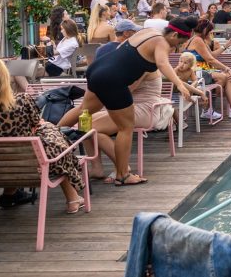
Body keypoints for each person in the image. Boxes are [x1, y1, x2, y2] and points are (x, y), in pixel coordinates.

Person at [57, 16, 200, 186]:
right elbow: (163, 64)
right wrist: (180, 85)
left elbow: (122, 50)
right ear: (174, 35)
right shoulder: (162, 42)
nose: (176, 48)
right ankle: (123, 175)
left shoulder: (148, 32)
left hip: (98, 69)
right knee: (126, 127)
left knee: (84, 110)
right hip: (113, 80)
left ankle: (51, 137)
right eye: (179, 44)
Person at [0, 60, 86, 213]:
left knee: (17, 149)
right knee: (54, 141)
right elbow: (35, 122)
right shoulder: (23, 102)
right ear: (5, 80)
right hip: (31, 165)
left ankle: (9, 194)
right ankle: (72, 198)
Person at [186, 18, 231, 119]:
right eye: (210, 31)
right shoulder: (197, 40)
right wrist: (225, 68)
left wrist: (226, 45)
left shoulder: (198, 39)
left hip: (200, 71)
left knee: (227, 77)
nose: (211, 33)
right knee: (224, 77)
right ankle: (212, 109)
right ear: (205, 30)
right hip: (196, 72)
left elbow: (212, 55)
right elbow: (210, 60)